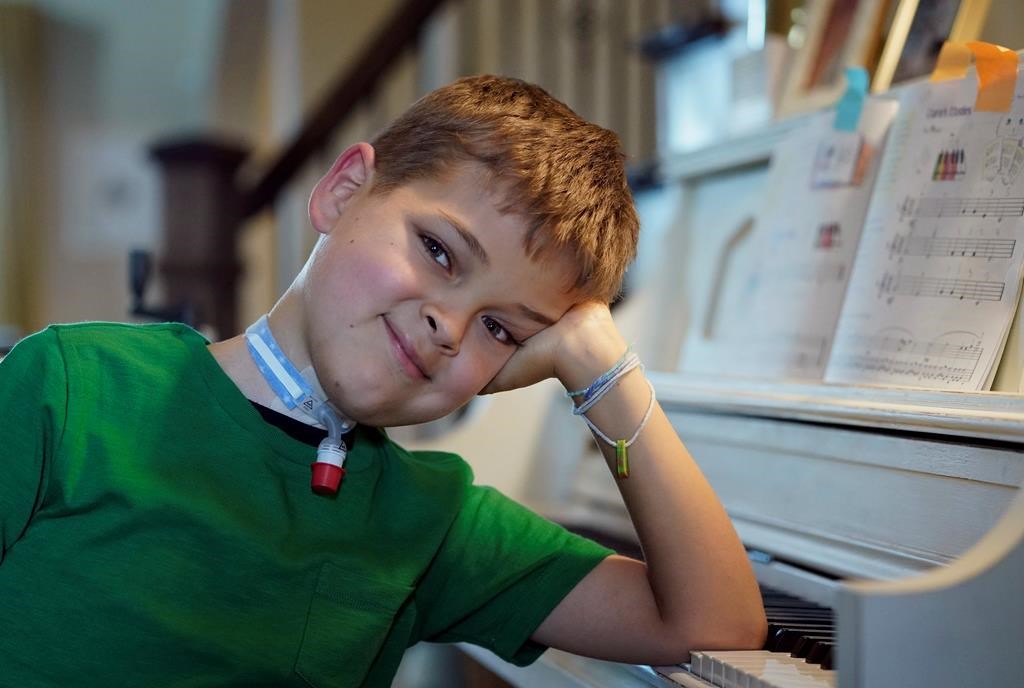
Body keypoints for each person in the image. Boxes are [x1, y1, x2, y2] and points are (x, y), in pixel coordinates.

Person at [0, 75, 765, 686]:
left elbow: (714, 623)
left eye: (502, 328)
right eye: (438, 250)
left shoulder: (431, 522)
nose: (450, 326)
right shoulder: (74, 386)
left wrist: (602, 370)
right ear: (342, 192)